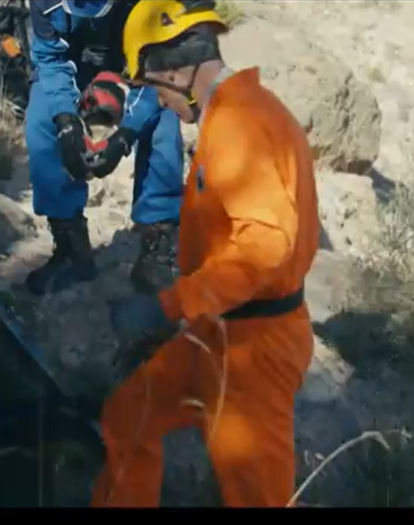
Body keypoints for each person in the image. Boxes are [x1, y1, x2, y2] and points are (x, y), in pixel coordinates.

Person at [93, 0, 321, 508]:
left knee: (256, 498)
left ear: (176, 69)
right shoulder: (239, 112)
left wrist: (166, 306)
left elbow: (263, 248)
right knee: (128, 416)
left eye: (153, 86)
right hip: (218, 330)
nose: (158, 98)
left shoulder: (239, 125)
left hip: (253, 349)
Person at [24, 0, 186, 296]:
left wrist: (125, 135)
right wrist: (65, 120)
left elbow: (156, 76)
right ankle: (70, 244)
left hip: (138, 61)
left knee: (164, 120)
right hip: (74, 64)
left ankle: (158, 244)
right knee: (41, 119)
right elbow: (50, 60)